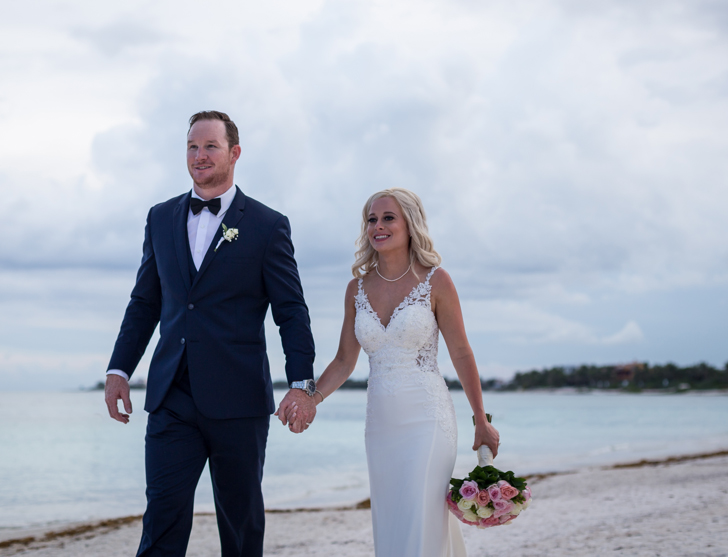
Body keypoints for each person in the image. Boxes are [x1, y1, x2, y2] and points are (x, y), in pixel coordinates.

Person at [104, 110, 317, 557]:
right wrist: (119, 369)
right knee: (161, 517)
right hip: (171, 397)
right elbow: (145, 303)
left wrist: (301, 386)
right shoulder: (160, 218)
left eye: (210, 147)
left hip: (239, 401)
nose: (199, 156)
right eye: (192, 147)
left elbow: (291, 312)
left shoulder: (266, 225)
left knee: (240, 525)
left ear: (234, 153)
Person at [309, 188, 500, 556]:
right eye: (371, 219)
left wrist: (481, 418)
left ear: (410, 224)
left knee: (421, 518)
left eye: (388, 217)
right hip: (380, 426)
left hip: (428, 421)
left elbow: (460, 352)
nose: (378, 226)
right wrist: (311, 399)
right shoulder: (356, 289)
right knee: (393, 521)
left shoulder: (436, 281)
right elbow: (344, 361)